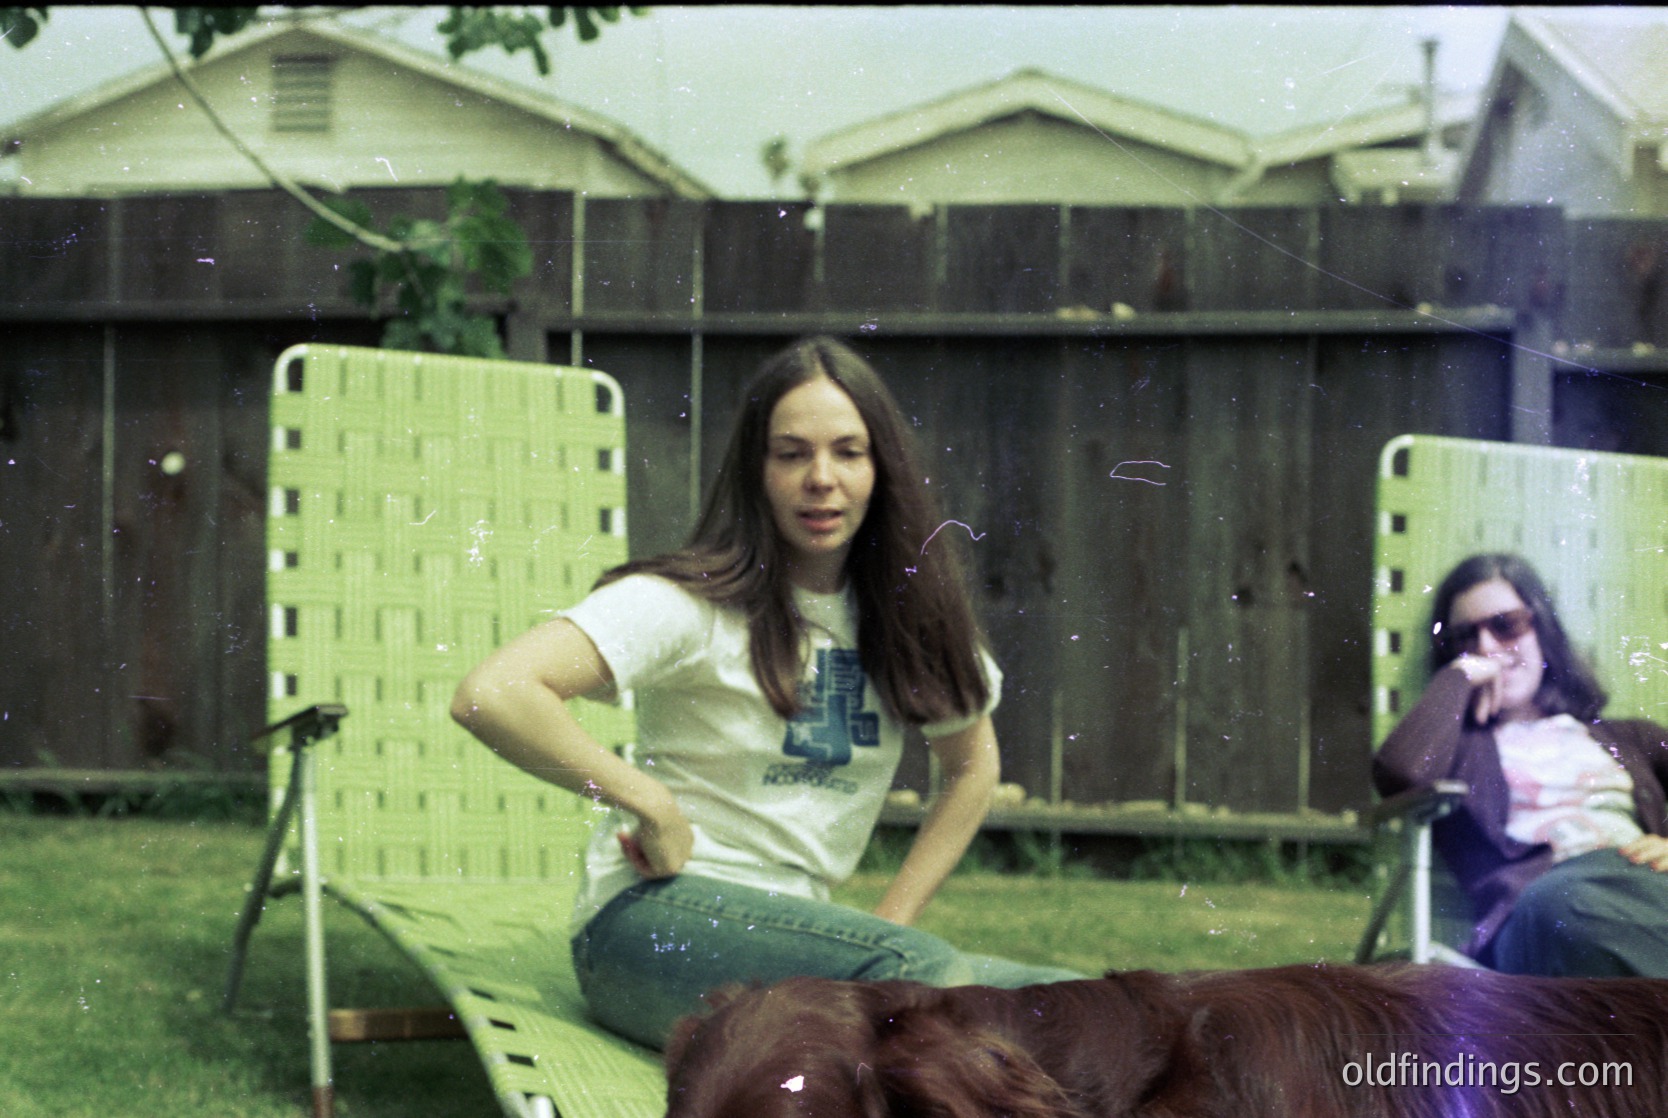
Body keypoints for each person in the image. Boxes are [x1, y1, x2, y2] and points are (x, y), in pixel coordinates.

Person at [451, 336, 1081, 1048]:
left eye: (848, 452)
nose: (822, 478)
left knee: (1074, 1004)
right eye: (791, 454)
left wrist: (891, 920)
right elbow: (493, 692)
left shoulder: (908, 620)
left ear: (882, 469)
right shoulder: (688, 605)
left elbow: (972, 767)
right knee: (912, 979)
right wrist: (650, 804)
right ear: (757, 470)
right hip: (651, 921)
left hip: (808, 934)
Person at [1373, 552, 1668, 977]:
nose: (1486, 647)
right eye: (1463, 638)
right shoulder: (1461, 749)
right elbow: (1399, 773)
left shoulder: (1629, 737)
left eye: (1505, 625)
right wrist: (1458, 677)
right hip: (1550, 905)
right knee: (1567, 910)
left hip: (1646, 884)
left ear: (1542, 629)